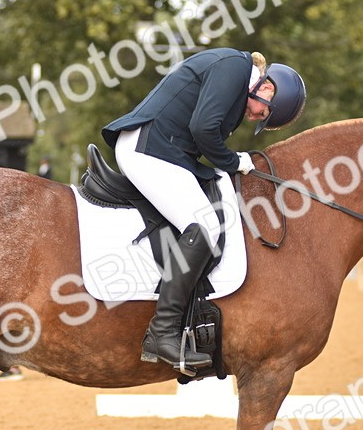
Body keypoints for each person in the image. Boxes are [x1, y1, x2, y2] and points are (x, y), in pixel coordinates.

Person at [101, 48, 306, 371]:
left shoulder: (235, 76)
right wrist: (234, 160)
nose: (254, 118)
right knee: (204, 226)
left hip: (166, 151)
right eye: (262, 114)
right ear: (267, 88)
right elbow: (203, 128)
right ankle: (162, 332)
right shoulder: (235, 68)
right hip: (149, 149)